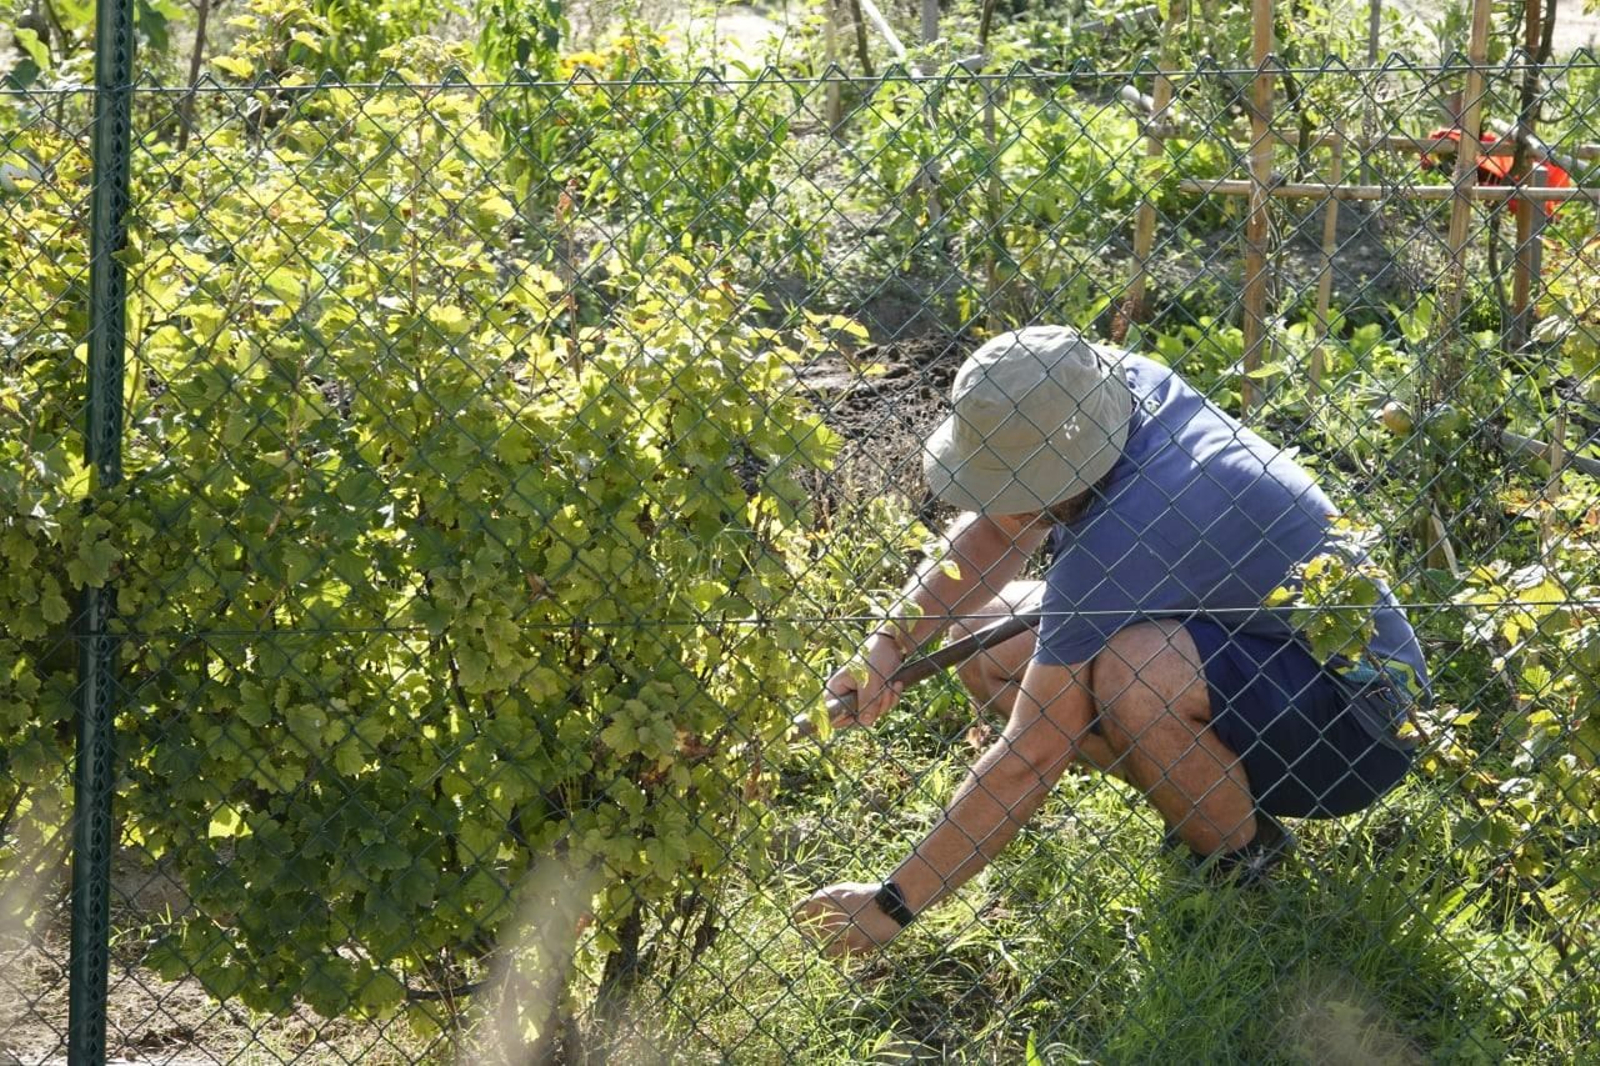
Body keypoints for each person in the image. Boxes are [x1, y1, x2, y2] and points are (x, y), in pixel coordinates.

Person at [794, 325, 1427, 957]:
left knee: (1135, 669)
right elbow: (1001, 527)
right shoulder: (1094, 390)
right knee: (988, 641)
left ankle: (1245, 871)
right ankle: (1213, 805)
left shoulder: (1131, 527)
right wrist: (888, 645)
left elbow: (1032, 754)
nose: (1003, 500)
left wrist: (891, 905)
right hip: (1257, 652)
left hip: (1360, 723)